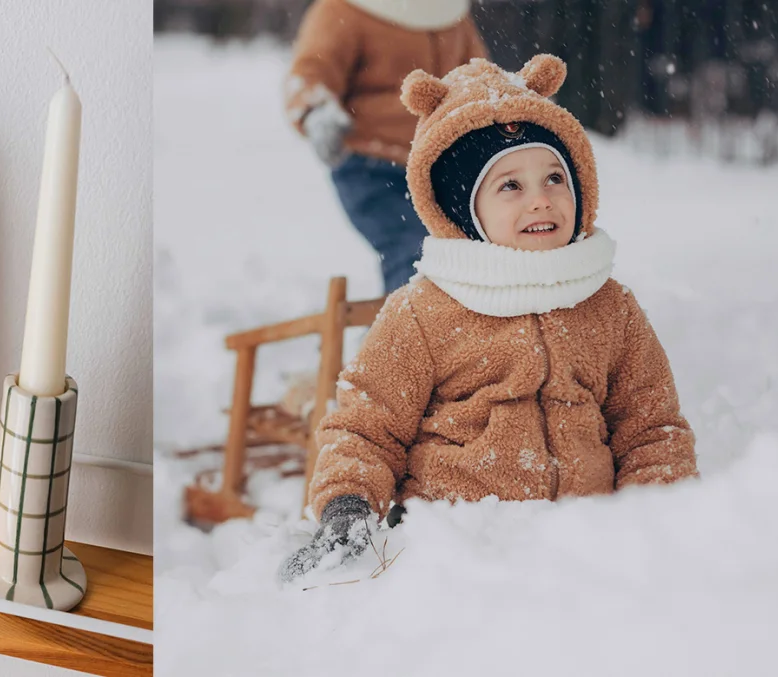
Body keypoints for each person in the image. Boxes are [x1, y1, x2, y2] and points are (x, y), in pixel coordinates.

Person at [279, 55, 699, 582]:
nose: (542, 200)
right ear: (462, 206)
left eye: (554, 177)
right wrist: (347, 508)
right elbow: (366, 428)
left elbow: (650, 426)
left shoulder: (607, 303)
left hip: (586, 547)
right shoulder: (424, 310)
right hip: (459, 550)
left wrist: (653, 519)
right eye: (510, 186)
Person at [284, 0, 487, 294]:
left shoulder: (451, 14)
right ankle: (407, 335)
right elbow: (312, 71)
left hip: (443, 166)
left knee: (478, 252)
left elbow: (478, 75)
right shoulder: (344, 10)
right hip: (372, 165)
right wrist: (314, 110)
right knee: (416, 252)